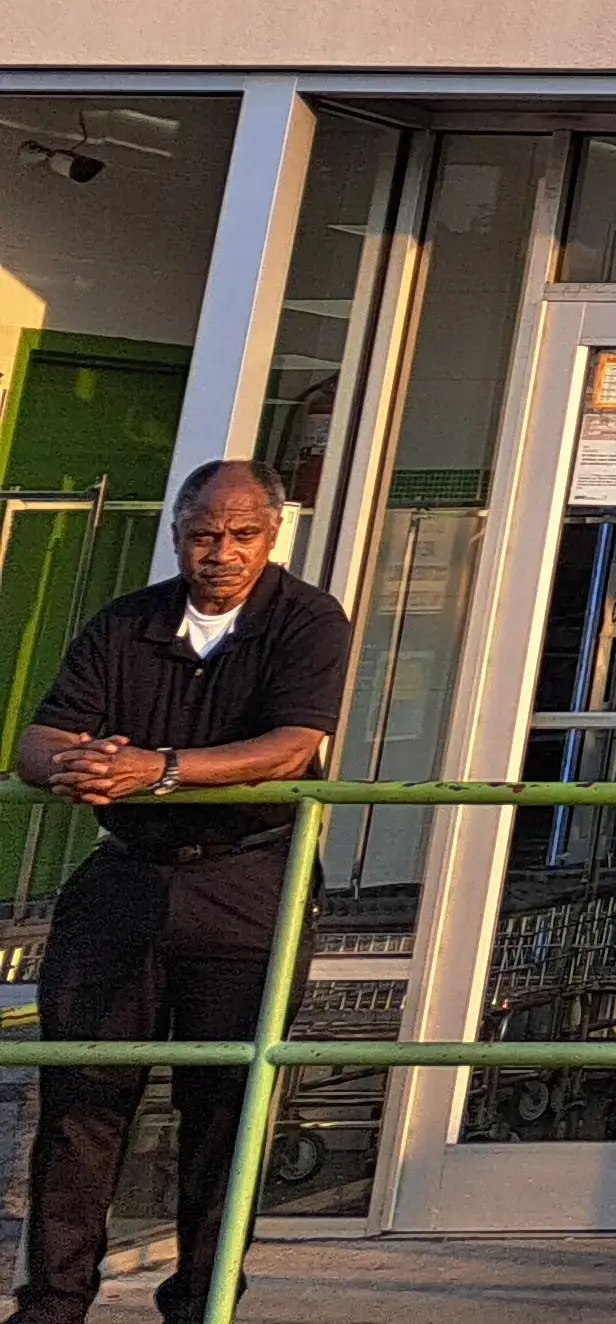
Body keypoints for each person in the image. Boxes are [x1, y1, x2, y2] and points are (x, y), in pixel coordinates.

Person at [9, 462, 353, 1324]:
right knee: (81, 1096)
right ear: (177, 533)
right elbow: (39, 739)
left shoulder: (308, 620)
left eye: (242, 535)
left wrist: (158, 769)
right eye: (204, 534)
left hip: (247, 879)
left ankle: (202, 1302)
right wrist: (77, 765)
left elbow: (291, 747)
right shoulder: (128, 621)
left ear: (273, 535)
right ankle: (52, 1304)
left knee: (225, 1106)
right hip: (126, 875)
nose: (221, 552)